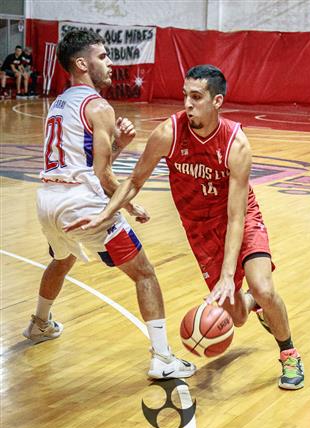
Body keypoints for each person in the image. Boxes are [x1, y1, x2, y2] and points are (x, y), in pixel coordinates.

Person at [65, 64, 304, 390]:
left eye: (196, 97)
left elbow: (236, 218)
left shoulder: (236, 144)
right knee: (236, 316)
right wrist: (105, 213)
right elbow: (134, 182)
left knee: (262, 285)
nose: (188, 104)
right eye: (185, 96)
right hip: (200, 230)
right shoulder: (168, 133)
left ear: (217, 101)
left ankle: (288, 352)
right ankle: (253, 304)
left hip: (241, 221)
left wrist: (226, 276)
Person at [23, 29, 196, 380]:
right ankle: (162, 358)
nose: (110, 62)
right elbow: (102, 174)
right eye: (103, 57)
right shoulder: (99, 105)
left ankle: (40, 323)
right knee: (144, 272)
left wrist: (122, 142)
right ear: (82, 63)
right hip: (79, 203)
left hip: (48, 202)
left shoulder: (59, 103)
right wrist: (130, 206)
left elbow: (88, 164)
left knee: (63, 257)